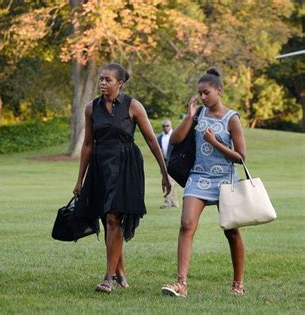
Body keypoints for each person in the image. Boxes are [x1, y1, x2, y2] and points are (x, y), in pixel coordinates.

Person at [73, 63, 171, 293]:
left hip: (126, 165)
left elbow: (150, 140)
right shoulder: (91, 108)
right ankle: (120, 272)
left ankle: (108, 278)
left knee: (114, 218)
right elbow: (87, 144)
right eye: (101, 79)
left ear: (120, 83)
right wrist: (80, 180)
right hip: (100, 166)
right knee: (109, 219)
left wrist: (164, 171)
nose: (103, 83)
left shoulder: (133, 106)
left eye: (108, 80)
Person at [161, 68, 247, 297]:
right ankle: (181, 284)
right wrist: (189, 117)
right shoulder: (198, 114)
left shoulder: (232, 118)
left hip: (225, 181)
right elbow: (176, 141)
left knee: (231, 231)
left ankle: (238, 283)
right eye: (200, 93)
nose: (203, 97)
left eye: (206, 92)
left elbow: (241, 157)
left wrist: (215, 142)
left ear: (219, 90)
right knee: (186, 225)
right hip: (198, 177)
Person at [157, 120, 179, 208]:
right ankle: (174, 203)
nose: (165, 127)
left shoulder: (175, 135)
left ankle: (166, 203)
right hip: (164, 162)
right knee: (168, 181)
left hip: (173, 161)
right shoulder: (160, 138)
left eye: (167, 126)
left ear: (170, 126)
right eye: (164, 126)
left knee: (170, 181)